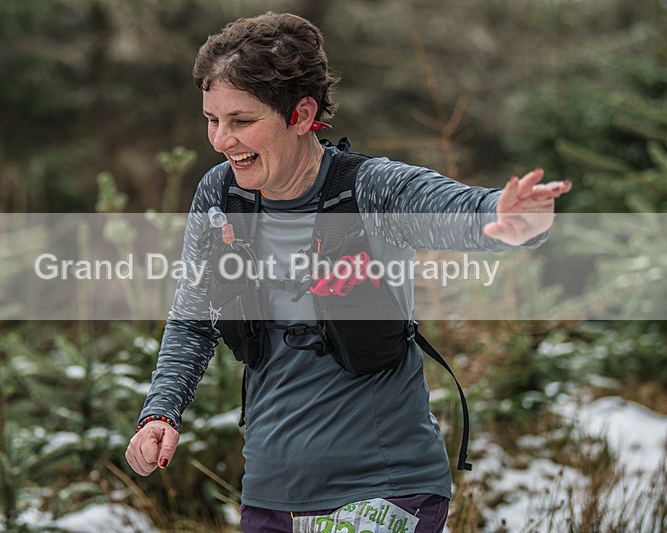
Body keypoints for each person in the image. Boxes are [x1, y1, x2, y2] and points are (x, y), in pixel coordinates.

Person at [125, 12, 571, 533]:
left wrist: (510, 220)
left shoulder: (370, 189)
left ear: (302, 113)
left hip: (386, 489)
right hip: (272, 491)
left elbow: (458, 210)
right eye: (212, 119)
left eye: (242, 121)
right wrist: (160, 412)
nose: (221, 140)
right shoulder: (221, 195)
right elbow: (192, 318)